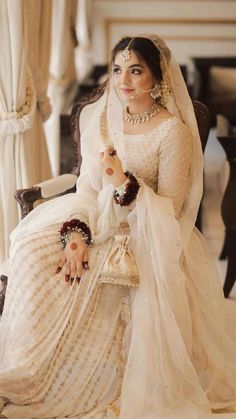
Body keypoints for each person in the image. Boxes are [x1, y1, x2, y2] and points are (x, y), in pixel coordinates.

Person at [0, 34, 236, 419]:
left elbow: (173, 210)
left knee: (94, 282)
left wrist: (124, 182)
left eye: (136, 70)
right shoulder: (102, 120)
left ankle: (81, 376)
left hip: (148, 240)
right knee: (31, 252)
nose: (123, 79)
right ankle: (29, 367)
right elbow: (88, 190)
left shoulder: (172, 131)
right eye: (117, 69)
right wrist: (75, 235)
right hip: (94, 223)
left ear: (157, 78)